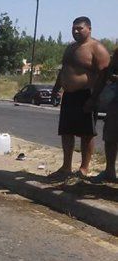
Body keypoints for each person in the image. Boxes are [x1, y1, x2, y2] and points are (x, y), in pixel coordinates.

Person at [52, 16, 110, 180]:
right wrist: (56, 89)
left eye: (80, 28)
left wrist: (94, 99)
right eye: (74, 28)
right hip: (69, 95)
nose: (76, 31)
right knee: (66, 132)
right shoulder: (70, 48)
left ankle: (84, 168)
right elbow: (63, 70)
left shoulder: (96, 48)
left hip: (87, 95)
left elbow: (103, 76)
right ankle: (66, 167)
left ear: (89, 29)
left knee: (86, 134)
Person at [89, 48, 118, 183]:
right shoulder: (116, 56)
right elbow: (107, 73)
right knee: (110, 138)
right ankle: (110, 171)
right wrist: (93, 99)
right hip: (115, 105)